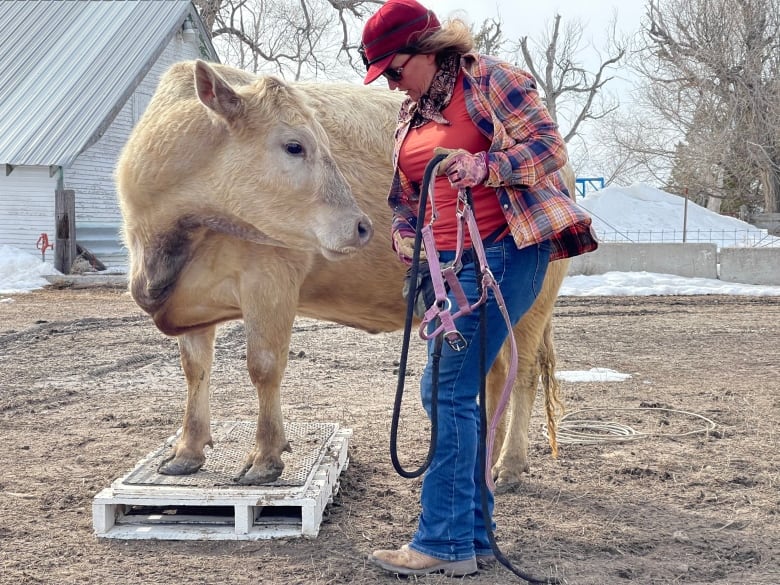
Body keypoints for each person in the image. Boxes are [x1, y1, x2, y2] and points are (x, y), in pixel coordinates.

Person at [359, 0, 598, 577]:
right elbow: (403, 194)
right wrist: (403, 231)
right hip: (445, 264)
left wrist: (483, 166)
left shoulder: (493, 81)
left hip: (505, 252)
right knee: (441, 393)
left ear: (428, 48)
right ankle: (471, 531)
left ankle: (443, 543)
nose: (391, 84)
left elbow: (548, 151)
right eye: (383, 76)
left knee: (446, 391)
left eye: (394, 69)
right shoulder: (412, 115)